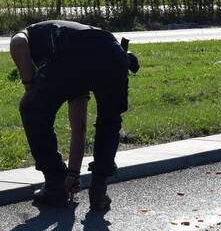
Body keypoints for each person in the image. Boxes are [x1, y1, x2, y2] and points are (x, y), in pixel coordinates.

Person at [10, 20, 136, 210]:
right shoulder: (63, 41)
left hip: (71, 54)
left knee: (32, 109)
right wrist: (73, 175)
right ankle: (98, 191)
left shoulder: (30, 35)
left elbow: (17, 43)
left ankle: (54, 186)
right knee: (109, 122)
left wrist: (29, 85)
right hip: (113, 54)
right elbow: (79, 127)